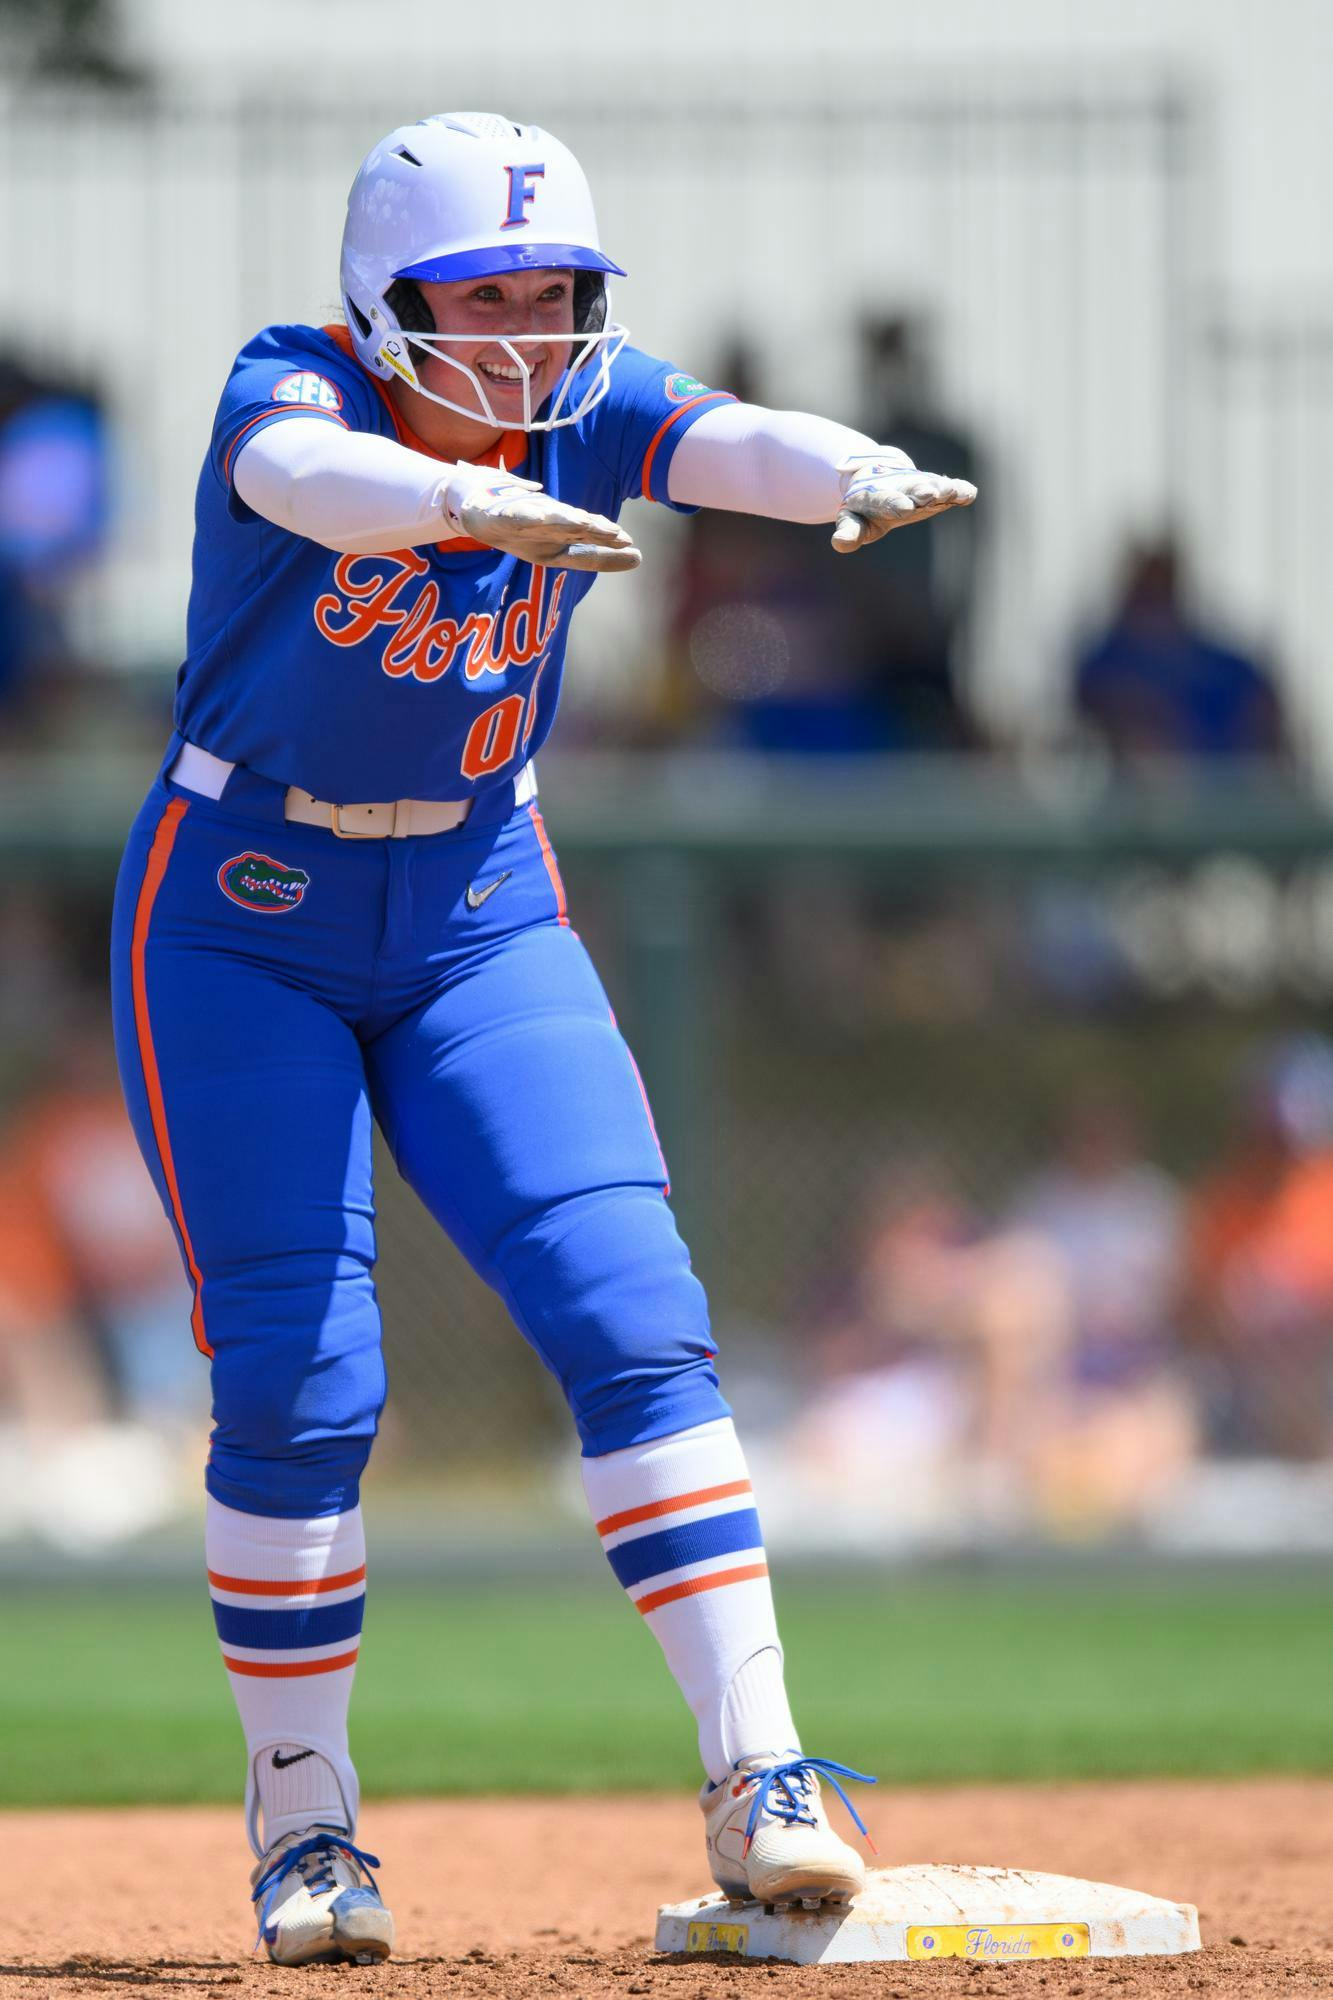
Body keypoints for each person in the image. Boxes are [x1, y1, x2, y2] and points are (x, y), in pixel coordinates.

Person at [110, 112, 976, 1967]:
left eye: (551, 294)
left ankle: (763, 1776)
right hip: (240, 907)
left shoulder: (573, 401)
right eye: (478, 294)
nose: (520, 332)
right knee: (300, 1373)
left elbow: (712, 433)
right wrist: (465, 504)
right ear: (384, 298)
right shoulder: (300, 383)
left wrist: (846, 468)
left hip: (475, 902)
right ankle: (306, 1824)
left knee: (633, 1306)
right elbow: (302, 481)